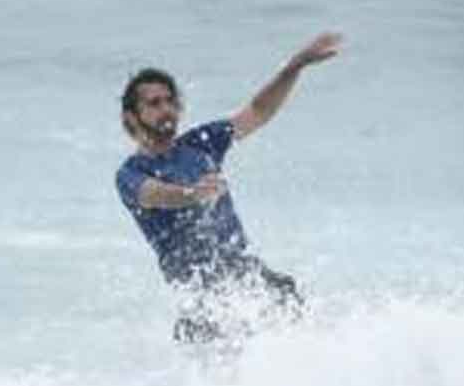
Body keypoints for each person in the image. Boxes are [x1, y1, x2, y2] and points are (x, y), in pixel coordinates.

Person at [115, 32, 342, 344]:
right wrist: (190, 194)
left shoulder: (201, 144)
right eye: (154, 104)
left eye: (170, 101)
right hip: (201, 298)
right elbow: (154, 194)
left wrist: (295, 67)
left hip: (246, 277)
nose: (166, 109)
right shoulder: (130, 173)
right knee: (221, 375)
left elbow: (258, 111)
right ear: (133, 116)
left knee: (290, 300)